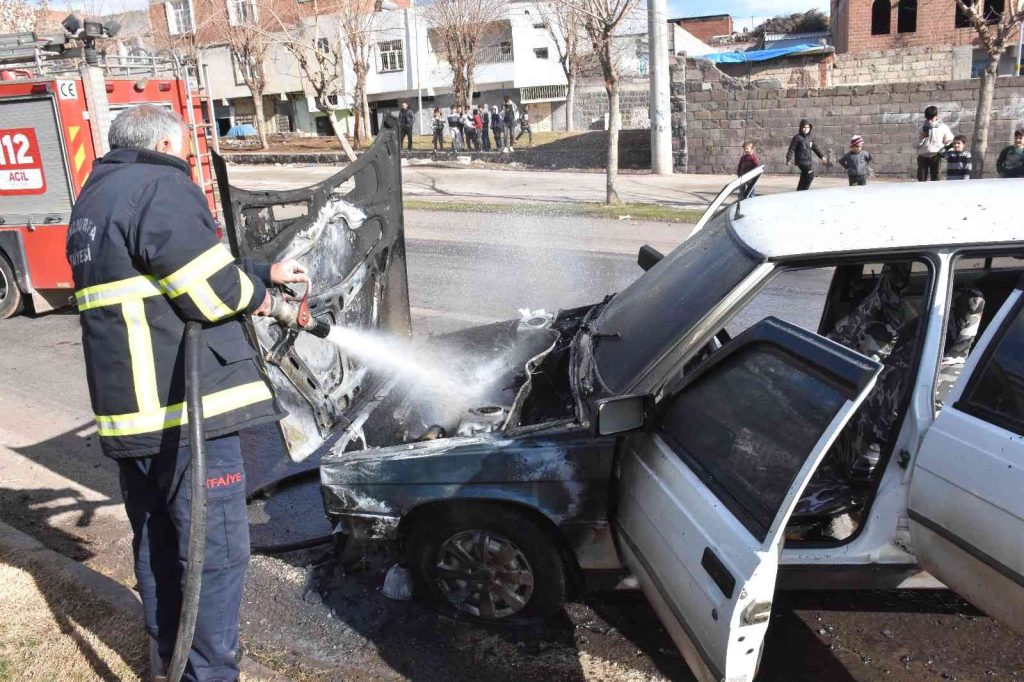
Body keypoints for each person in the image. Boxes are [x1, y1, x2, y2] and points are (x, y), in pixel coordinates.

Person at [65, 105, 308, 682]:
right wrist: (271, 303)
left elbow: (159, 271)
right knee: (214, 555)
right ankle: (209, 675)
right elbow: (209, 291)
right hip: (186, 415)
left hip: (134, 421)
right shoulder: (161, 184)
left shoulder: (98, 199)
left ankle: (168, 663)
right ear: (170, 141)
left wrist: (263, 269)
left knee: (158, 549)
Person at [785, 118, 827, 191]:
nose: (806, 129)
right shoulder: (797, 138)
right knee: (810, 175)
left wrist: (822, 156)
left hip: (808, 161)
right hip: (801, 161)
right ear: (801, 128)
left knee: (804, 176)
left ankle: (799, 191)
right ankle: (804, 191)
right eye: (804, 127)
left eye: (807, 127)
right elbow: (791, 149)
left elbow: (815, 148)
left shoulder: (810, 138)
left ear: (810, 128)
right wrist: (788, 159)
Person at [918, 105, 953, 182]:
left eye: (931, 118)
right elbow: (914, 145)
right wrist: (922, 138)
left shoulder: (943, 127)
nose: (929, 121)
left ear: (936, 116)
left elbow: (950, 141)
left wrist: (943, 150)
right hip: (922, 156)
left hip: (936, 155)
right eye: (928, 118)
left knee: (936, 179)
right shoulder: (921, 128)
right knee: (921, 180)